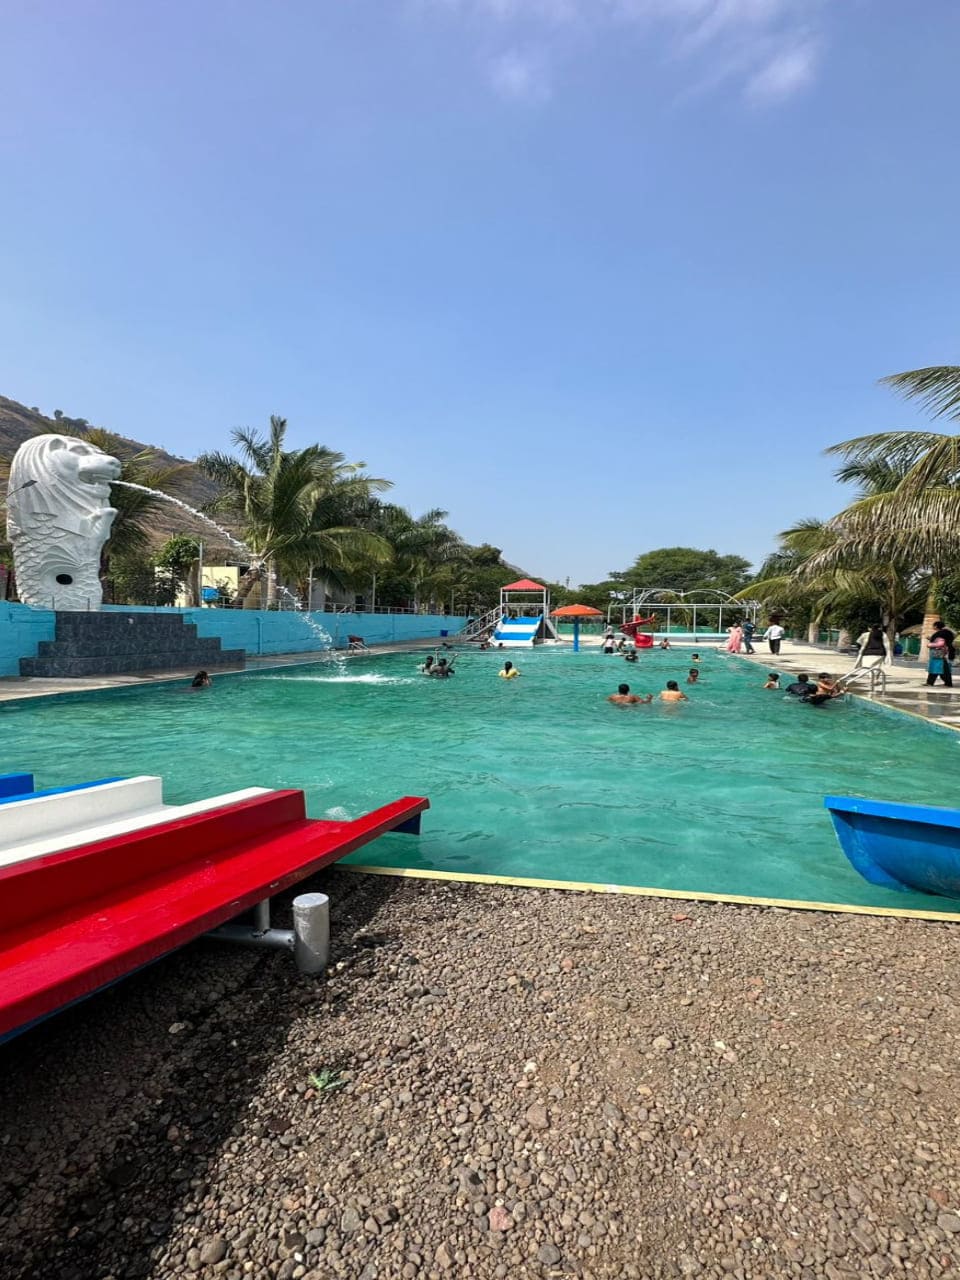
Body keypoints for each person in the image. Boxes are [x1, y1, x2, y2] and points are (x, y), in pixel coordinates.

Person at [927, 621, 956, 688]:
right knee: (938, 668)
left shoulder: (941, 633)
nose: (933, 627)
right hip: (942, 654)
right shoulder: (946, 633)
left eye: (933, 625)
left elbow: (940, 643)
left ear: (936, 626)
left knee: (942, 669)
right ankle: (930, 682)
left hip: (939, 654)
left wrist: (929, 645)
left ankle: (947, 683)